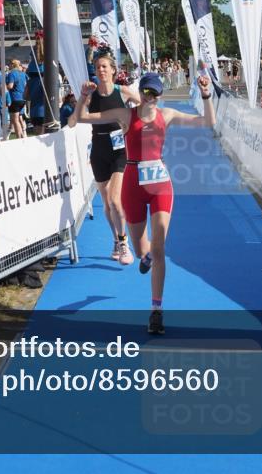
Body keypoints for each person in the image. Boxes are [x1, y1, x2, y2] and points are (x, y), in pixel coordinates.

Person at [74, 72, 216, 335]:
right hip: (133, 186)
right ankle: (147, 255)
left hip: (160, 185)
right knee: (142, 251)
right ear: (140, 93)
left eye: (155, 94)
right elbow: (82, 117)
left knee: (159, 247)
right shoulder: (126, 115)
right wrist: (84, 97)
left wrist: (206, 94)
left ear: (160, 95)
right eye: (146, 93)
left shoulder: (167, 115)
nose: (150, 98)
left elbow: (208, 122)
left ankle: (156, 311)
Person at [66, 51, 140, 266]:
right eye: (98, 67)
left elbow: (146, 107)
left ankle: (124, 242)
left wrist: (133, 124)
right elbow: (72, 122)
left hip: (120, 151)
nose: (101, 70)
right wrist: (82, 96)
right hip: (99, 151)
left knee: (116, 200)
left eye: (105, 66)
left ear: (113, 70)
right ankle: (116, 239)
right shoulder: (90, 95)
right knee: (107, 203)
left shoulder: (123, 92)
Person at [6, 59, 28, 139]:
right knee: (18, 118)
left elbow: (10, 86)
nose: (9, 66)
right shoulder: (23, 74)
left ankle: (19, 138)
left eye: (10, 64)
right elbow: (27, 84)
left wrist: (3, 87)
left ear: (12, 65)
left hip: (15, 98)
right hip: (23, 99)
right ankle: (22, 135)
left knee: (15, 120)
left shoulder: (12, 73)